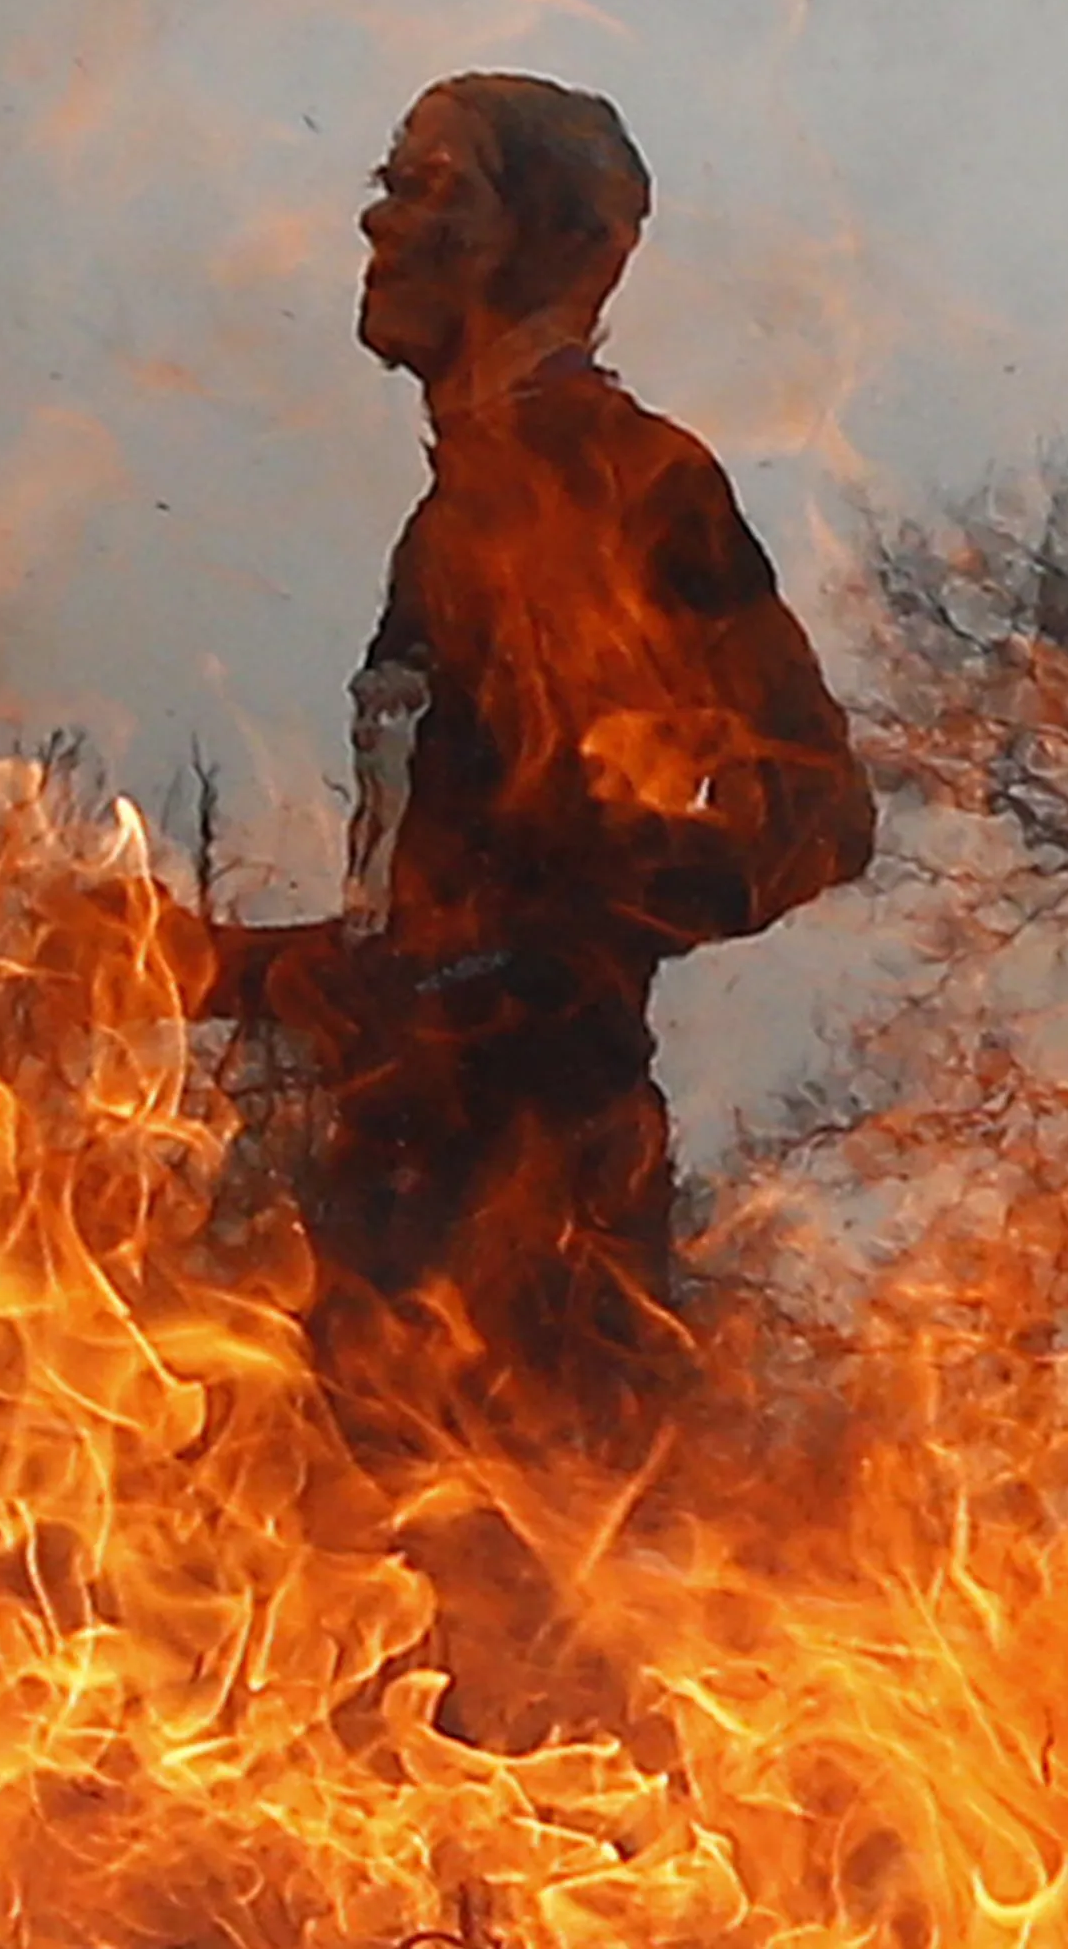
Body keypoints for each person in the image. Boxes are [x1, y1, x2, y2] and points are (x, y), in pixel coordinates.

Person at [184, 73, 873, 1437]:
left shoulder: (627, 474)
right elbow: (445, 920)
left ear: (560, 246)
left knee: (533, 1635)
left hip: (541, 1225)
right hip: (403, 1201)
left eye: (432, 186)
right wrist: (215, 966)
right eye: (386, 182)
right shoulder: (456, 506)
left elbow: (815, 810)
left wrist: (546, 955)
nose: (380, 221)